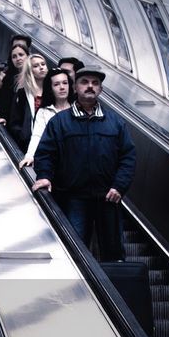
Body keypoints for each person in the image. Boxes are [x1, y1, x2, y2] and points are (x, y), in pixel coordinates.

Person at [30, 65, 135, 261]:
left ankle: (110, 291)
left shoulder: (115, 122)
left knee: (113, 253)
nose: (90, 86)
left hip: (108, 198)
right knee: (75, 250)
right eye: (84, 82)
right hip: (73, 197)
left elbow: (128, 157)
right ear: (75, 88)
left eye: (95, 83)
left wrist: (119, 186)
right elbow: (45, 153)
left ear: (100, 90)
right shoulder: (60, 122)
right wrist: (44, 176)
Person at [21, 68, 73, 168]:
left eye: (65, 83)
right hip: (55, 162)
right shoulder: (44, 111)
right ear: (50, 88)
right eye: (56, 84)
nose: (62, 87)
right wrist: (30, 155)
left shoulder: (78, 108)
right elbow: (37, 135)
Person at [6, 51, 47, 152]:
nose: (41, 67)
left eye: (43, 64)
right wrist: (23, 136)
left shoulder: (53, 90)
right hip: (30, 142)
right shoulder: (23, 93)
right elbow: (15, 120)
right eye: (36, 66)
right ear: (30, 71)